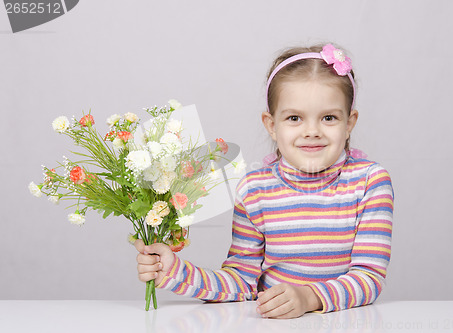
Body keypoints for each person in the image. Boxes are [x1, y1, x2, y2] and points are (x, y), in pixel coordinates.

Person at [135, 43, 394, 319]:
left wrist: (308, 297)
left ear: (349, 122)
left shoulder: (370, 183)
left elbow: (369, 278)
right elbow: (241, 281)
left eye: (328, 118)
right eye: (294, 118)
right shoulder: (255, 190)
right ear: (272, 125)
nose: (312, 131)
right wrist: (176, 271)